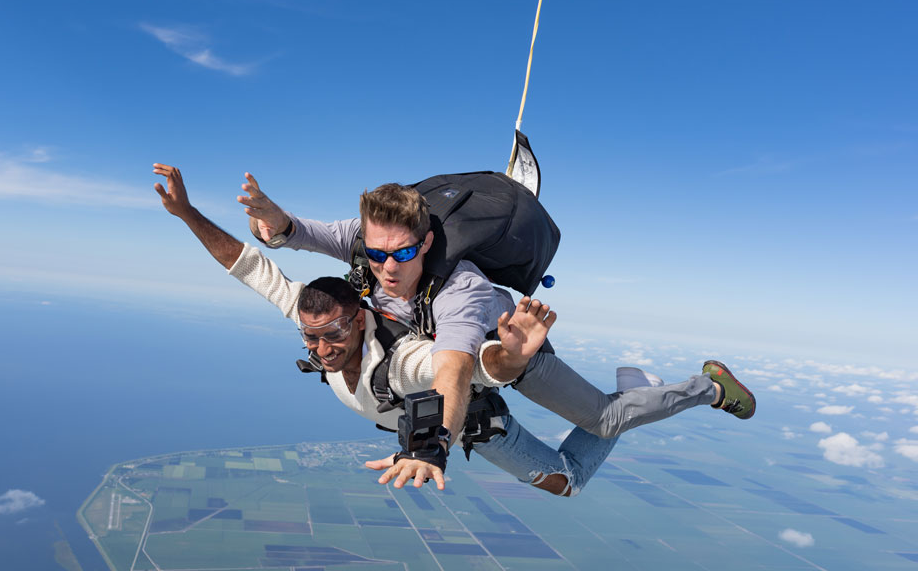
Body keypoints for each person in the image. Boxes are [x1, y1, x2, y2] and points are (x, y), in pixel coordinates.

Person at [156, 163, 628, 496]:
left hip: (474, 427)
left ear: (361, 318)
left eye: (335, 334)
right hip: (455, 420)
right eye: (311, 337)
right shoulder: (318, 317)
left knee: (568, 479)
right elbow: (245, 264)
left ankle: (658, 393)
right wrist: (186, 213)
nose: (323, 348)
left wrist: (432, 445)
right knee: (566, 481)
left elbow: (458, 367)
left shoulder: (399, 363)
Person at [236, 173, 757, 443]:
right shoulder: (366, 241)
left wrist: (434, 439)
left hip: (514, 347)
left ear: (427, 240)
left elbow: (456, 366)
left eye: (402, 253)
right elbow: (303, 232)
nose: (386, 267)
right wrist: (273, 221)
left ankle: (709, 386)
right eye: (376, 253)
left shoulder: (459, 290)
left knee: (604, 419)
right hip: (467, 353)